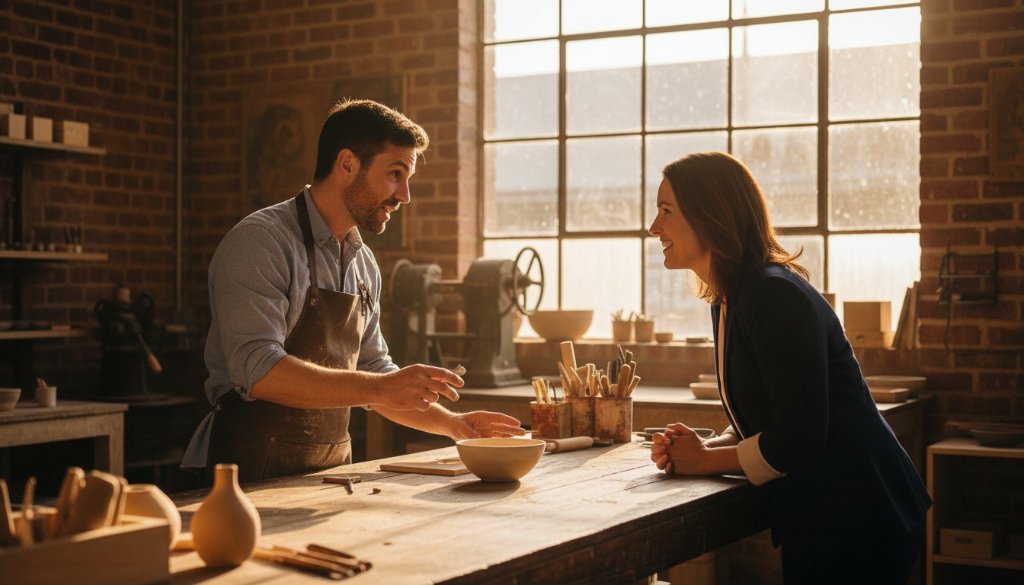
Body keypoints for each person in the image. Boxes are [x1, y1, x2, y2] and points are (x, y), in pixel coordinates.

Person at [183, 99, 524, 482]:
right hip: (239, 478)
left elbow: (375, 373)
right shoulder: (261, 242)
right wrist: (382, 386)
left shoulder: (363, 264)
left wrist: (455, 425)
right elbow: (259, 371)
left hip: (325, 477)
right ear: (347, 165)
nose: (405, 195)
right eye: (395, 174)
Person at [647, 152, 930, 584]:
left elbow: (800, 436)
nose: (654, 227)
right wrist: (706, 444)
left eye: (666, 211)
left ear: (711, 216)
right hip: (827, 511)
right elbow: (766, 416)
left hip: (860, 512)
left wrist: (704, 461)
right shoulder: (730, 297)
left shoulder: (773, 294)